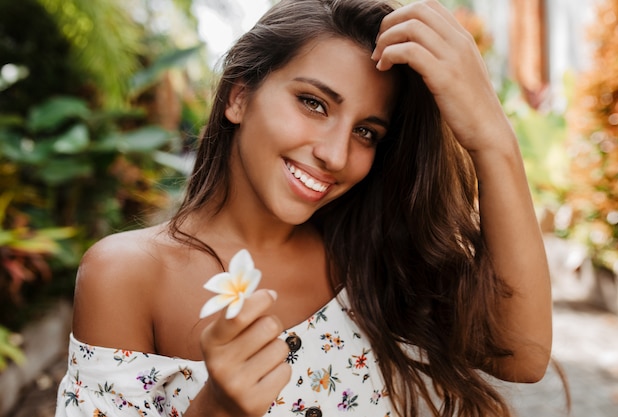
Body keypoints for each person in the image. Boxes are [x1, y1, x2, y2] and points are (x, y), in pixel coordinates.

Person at [55, 0, 554, 416]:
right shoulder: (127, 275)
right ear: (238, 96)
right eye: (314, 103)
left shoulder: (367, 259)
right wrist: (217, 409)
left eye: (366, 132)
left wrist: (493, 139)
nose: (335, 155)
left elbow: (524, 357)